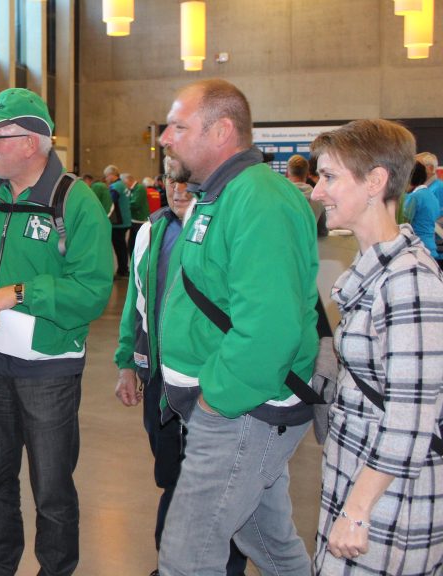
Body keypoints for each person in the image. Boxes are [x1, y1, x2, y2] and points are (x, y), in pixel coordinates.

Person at [0, 87, 113, 576]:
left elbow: (93, 290)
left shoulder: (74, 202)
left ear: (31, 142)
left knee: (52, 490)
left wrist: (19, 292)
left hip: (49, 372)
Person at [156, 79, 318, 576]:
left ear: (221, 131)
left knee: (186, 557)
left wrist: (214, 401)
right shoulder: (216, 195)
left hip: (241, 410)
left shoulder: (259, 199)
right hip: (232, 407)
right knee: (265, 540)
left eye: (178, 126)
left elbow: (269, 328)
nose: (164, 137)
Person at [308, 119, 443, 575]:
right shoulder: (376, 270)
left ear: (375, 181)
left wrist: (357, 511)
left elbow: (409, 418)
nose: (317, 192)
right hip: (358, 479)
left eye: (330, 177)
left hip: (390, 504)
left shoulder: (409, 282)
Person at [113, 161, 248, 576]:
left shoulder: (229, 229)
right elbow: (137, 302)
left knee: (218, 483)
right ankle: (171, 563)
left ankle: (222, 567)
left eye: (188, 181)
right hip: (161, 382)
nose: (178, 189)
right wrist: (126, 362)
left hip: (214, 383)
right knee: (173, 476)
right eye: (172, 180)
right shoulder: (151, 231)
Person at [403, 161, 441, 264]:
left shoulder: (415, 197)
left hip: (419, 250)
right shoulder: (430, 195)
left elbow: (403, 224)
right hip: (431, 248)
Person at [287, 154, 328, 237]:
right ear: (307, 173)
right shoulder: (317, 198)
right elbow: (323, 231)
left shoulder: (279, 195)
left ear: (287, 173)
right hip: (307, 244)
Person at [105, 164, 131, 276]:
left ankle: (122, 270)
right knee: (122, 247)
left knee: (119, 247)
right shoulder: (122, 184)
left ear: (112, 175)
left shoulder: (115, 187)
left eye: (107, 176)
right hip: (126, 220)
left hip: (118, 222)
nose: (106, 179)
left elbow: (110, 203)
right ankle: (123, 269)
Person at [123, 171, 150, 254]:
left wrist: (124, 205)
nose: (124, 185)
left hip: (140, 220)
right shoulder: (132, 189)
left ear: (128, 181)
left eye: (124, 183)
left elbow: (135, 204)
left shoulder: (139, 188)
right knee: (131, 243)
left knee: (137, 243)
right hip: (134, 219)